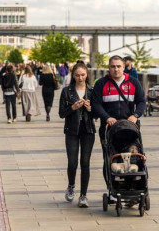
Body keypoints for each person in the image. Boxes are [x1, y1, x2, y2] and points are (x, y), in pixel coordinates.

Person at [91, 55, 146, 191]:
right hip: (109, 129)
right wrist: (106, 117)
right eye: (113, 66)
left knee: (131, 158)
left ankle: (131, 188)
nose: (116, 69)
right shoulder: (101, 84)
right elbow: (96, 104)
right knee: (110, 158)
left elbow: (141, 102)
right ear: (109, 68)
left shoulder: (133, 82)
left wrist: (135, 115)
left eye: (118, 66)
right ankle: (113, 188)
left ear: (123, 67)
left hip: (129, 129)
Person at [59, 62, 96, 208]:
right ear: (73, 76)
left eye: (83, 75)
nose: (80, 78)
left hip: (88, 130)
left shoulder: (92, 91)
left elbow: (97, 114)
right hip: (72, 130)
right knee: (72, 162)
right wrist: (73, 107)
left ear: (87, 74)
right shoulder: (67, 91)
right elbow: (62, 113)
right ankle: (71, 185)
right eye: (77, 75)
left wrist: (89, 108)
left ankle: (83, 195)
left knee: (85, 162)